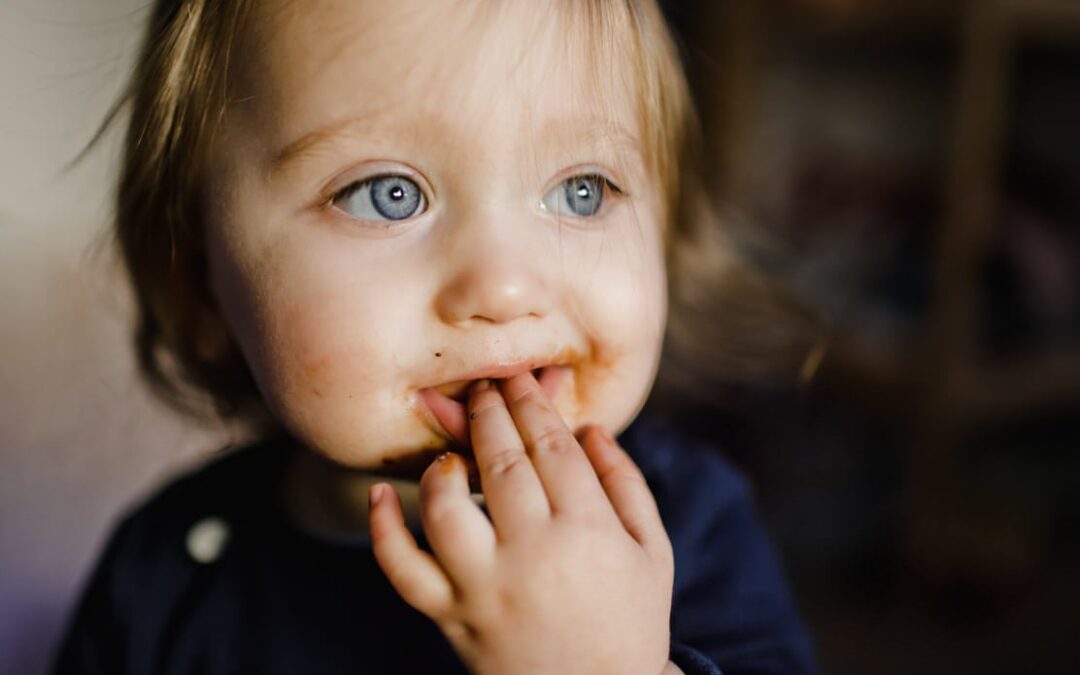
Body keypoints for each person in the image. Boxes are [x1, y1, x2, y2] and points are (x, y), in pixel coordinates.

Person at [54, 1, 820, 673]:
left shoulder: (685, 527)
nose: (505, 287)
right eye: (386, 195)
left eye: (581, 190)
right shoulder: (166, 570)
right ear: (202, 288)